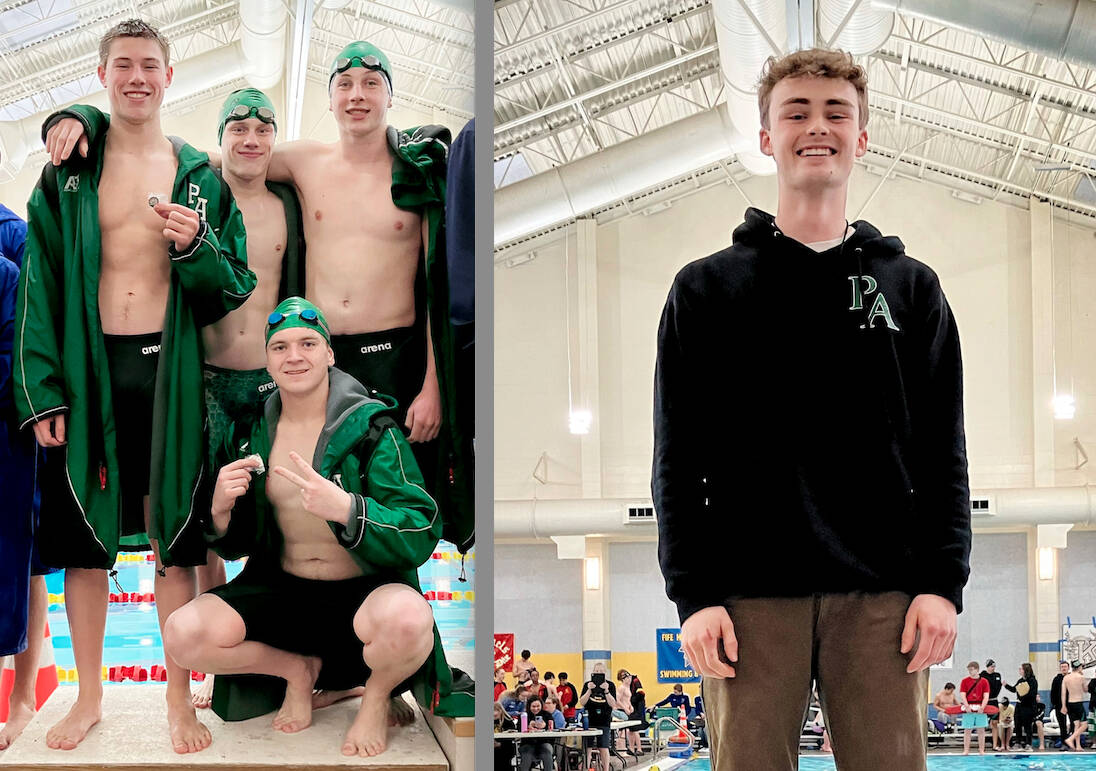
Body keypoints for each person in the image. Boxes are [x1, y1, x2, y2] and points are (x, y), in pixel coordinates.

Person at [652, 47, 969, 771]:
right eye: (795, 111)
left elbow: (943, 453)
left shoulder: (912, 288)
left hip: (884, 592)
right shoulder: (705, 290)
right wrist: (692, 595)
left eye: (837, 113)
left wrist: (941, 584)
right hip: (748, 594)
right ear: (766, 137)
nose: (816, 127)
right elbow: (676, 458)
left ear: (863, 136)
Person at [46, 40, 474, 564]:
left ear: (391, 94)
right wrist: (82, 119)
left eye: (370, 84)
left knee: (387, 492)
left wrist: (432, 384)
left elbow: (436, 286)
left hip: (394, 358)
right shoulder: (304, 162)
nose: (356, 96)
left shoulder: (414, 173)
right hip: (313, 361)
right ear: (330, 98)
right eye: (344, 85)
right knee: (261, 501)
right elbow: (182, 152)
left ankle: (387, 613)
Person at [14, 18, 255, 754]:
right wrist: (42, 390)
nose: (137, 77)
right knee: (86, 543)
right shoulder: (68, 172)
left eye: (150, 64)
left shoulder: (198, 175)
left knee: (174, 540)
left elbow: (233, 283)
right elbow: (41, 285)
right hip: (91, 370)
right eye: (123, 65)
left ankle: (180, 699)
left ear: (170, 76)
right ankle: (89, 696)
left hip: (168, 369)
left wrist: (194, 246)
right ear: (102, 75)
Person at [161, 297, 467, 757]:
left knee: (410, 619)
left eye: (307, 343)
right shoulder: (250, 431)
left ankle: (376, 695)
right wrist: (221, 510)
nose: (294, 356)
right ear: (267, 360)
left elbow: (421, 526)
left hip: (364, 596)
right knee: (183, 634)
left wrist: (347, 508)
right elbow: (237, 545)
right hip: (285, 596)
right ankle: (296, 671)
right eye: (280, 347)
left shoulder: (372, 429)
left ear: (329, 353)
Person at [0, 251, 50, 751]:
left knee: (22, 564)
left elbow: (20, 354)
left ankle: (22, 697)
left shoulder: (12, 244)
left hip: (11, 439)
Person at [580, 662, 619, 770]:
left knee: (604, 747)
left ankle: (605, 769)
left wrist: (606, 691)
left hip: (604, 720)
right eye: (596, 671)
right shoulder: (587, 685)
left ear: (605, 673)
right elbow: (582, 702)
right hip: (589, 720)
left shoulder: (610, 685)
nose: (598, 673)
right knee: (587, 747)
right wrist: (589, 690)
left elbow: (613, 703)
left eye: (601, 671)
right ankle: (586, 768)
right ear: (593, 672)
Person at [959, 661, 990, 756]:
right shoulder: (964, 681)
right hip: (969, 707)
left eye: (971, 670)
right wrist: (967, 705)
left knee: (981, 730)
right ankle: (966, 750)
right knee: (967, 730)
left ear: (977, 670)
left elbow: (986, 696)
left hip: (980, 706)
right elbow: (962, 694)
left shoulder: (984, 681)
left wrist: (983, 707)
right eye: (969, 670)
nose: (970, 671)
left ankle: (981, 750)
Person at [1005, 662, 1038, 749]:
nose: (1019, 670)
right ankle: (1018, 742)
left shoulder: (1032, 681)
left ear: (1025, 670)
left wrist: (1022, 698)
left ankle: (1028, 743)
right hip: (1019, 706)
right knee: (1018, 724)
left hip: (1028, 706)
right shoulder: (1020, 681)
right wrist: (1006, 685)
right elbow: (1014, 689)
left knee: (1027, 726)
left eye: (1021, 669)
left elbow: (1032, 694)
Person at [520, 697, 557, 771]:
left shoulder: (547, 715)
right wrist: (528, 727)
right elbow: (518, 729)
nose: (536, 709)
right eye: (533, 706)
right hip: (527, 743)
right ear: (529, 706)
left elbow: (553, 729)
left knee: (546, 751)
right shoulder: (524, 715)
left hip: (544, 742)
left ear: (541, 706)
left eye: (538, 706)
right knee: (527, 753)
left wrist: (545, 726)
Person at [617, 670, 648, 756]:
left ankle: (631, 748)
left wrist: (631, 706)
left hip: (628, 710)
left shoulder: (628, 688)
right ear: (623, 679)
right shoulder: (621, 688)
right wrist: (625, 708)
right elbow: (617, 700)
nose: (630, 679)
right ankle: (622, 750)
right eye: (628, 678)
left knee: (631, 730)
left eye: (630, 678)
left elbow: (627, 700)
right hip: (622, 711)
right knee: (623, 731)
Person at [1062, 660, 1089, 750]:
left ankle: (1078, 746)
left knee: (1076, 725)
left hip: (1070, 704)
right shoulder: (1081, 677)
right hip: (1078, 704)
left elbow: (1063, 693)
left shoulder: (1066, 678)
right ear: (1079, 667)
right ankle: (1070, 739)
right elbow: (1085, 690)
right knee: (1084, 725)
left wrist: (1063, 706)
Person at [981, 660, 1003, 748]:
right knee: (982, 724)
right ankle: (982, 746)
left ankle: (995, 745)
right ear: (987, 667)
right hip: (984, 702)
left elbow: (997, 687)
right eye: (991, 667)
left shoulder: (997, 675)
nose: (993, 668)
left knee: (995, 723)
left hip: (994, 701)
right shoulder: (982, 675)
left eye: (994, 667)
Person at [1050, 660, 1071, 748]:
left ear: (1068, 668)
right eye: (1062, 667)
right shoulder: (1056, 679)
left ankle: (1071, 741)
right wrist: (1055, 704)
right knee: (1062, 725)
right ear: (1060, 668)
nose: (1064, 668)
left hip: (1071, 704)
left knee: (1073, 724)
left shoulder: (1071, 678)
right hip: (1059, 706)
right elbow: (1053, 693)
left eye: (1065, 667)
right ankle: (1064, 743)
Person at [494, 702, 518, 771]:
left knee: (502, 754)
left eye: (497, 710)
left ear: (501, 710)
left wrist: (500, 744)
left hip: (505, 747)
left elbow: (513, 736)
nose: (495, 713)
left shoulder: (508, 721)